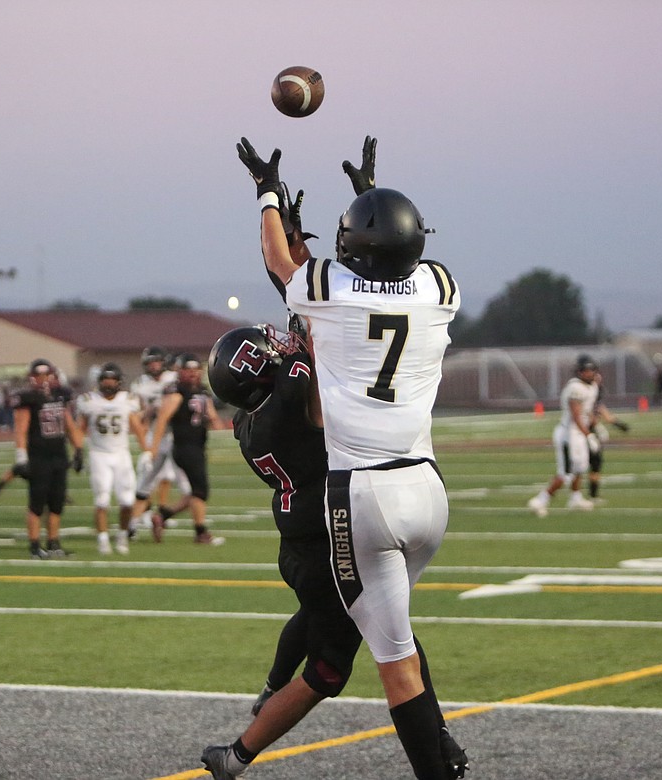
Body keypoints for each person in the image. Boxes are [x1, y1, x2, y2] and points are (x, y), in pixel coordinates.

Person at [224, 135, 463, 780]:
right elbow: (392, 261)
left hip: (365, 498)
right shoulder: (441, 288)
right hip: (430, 491)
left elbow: (282, 262)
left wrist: (268, 193)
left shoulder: (328, 297)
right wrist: (370, 200)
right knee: (398, 642)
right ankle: (447, 757)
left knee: (395, 665)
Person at [148, 354, 227, 545]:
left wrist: (222, 431)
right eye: (188, 370)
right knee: (200, 491)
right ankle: (201, 532)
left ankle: (164, 515)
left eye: (195, 370)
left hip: (198, 446)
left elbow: (212, 416)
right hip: (184, 447)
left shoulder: (201, 390)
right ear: (180, 371)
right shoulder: (177, 392)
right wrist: (153, 448)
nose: (192, 374)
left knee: (197, 491)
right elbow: (162, 420)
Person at [10, 359, 85, 559]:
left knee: (56, 502)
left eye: (46, 375)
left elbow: (69, 424)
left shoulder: (59, 395)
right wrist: (21, 456)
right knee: (37, 503)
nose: (43, 379)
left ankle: (53, 543)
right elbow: (21, 428)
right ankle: (35, 546)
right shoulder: (28, 399)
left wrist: (78, 450)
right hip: (39, 457)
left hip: (59, 456)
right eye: (38, 376)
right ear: (32, 377)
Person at [75, 363, 148, 555]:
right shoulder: (89, 400)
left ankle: (123, 536)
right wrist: (77, 451)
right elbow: (80, 429)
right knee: (102, 501)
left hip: (121, 455)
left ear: (119, 382)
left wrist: (146, 451)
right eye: (105, 381)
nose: (108, 385)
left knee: (127, 501)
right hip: (99, 455)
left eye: (111, 381)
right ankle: (103, 540)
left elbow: (137, 426)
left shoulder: (127, 400)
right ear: (99, 382)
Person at [128, 346, 188, 541]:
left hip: (177, 436)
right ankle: (132, 525)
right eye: (150, 362)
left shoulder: (173, 378)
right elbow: (138, 414)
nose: (154, 366)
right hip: (155, 436)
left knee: (181, 481)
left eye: (157, 361)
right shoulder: (140, 385)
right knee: (145, 480)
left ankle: (162, 514)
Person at [528, 354, 599, 516]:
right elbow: (576, 415)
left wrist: (595, 426)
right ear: (579, 372)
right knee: (566, 473)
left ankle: (575, 497)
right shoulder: (575, 387)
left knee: (581, 467)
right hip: (569, 435)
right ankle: (540, 500)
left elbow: (588, 411)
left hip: (580, 433)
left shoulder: (593, 386)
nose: (589, 373)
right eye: (586, 371)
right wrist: (589, 435)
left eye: (591, 370)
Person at [586, 370, 630, 503]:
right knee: (582, 464)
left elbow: (600, 409)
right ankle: (584, 496)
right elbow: (590, 413)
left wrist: (617, 424)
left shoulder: (593, 393)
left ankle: (592, 495)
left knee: (595, 462)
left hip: (589, 430)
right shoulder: (583, 393)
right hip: (582, 431)